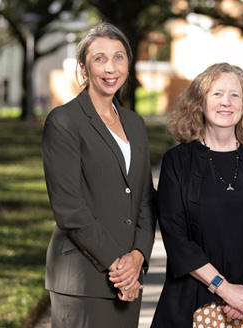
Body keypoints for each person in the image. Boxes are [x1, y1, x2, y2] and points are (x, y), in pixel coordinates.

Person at [151, 62, 243, 327]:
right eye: (217, 94)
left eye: (235, 95)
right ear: (199, 103)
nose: (226, 102)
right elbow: (176, 236)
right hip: (196, 301)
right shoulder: (177, 162)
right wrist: (226, 290)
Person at [42, 22, 156, 327]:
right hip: (83, 279)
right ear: (83, 66)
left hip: (128, 278)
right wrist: (118, 264)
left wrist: (138, 257)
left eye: (119, 57)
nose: (111, 68)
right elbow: (70, 209)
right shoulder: (64, 121)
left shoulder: (136, 124)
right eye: (99, 58)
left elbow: (146, 198)